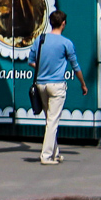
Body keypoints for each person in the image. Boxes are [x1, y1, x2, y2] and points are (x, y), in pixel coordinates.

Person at [29, 10, 88, 165]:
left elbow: (31, 61)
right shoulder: (66, 43)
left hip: (41, 84)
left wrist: (42, 68)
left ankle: (55, 153)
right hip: (56, 86)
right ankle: (46, 156)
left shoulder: (40, 39)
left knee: (50, 120)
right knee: (53, 121)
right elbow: (76, 67)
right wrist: (82, 84)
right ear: (63, 24)